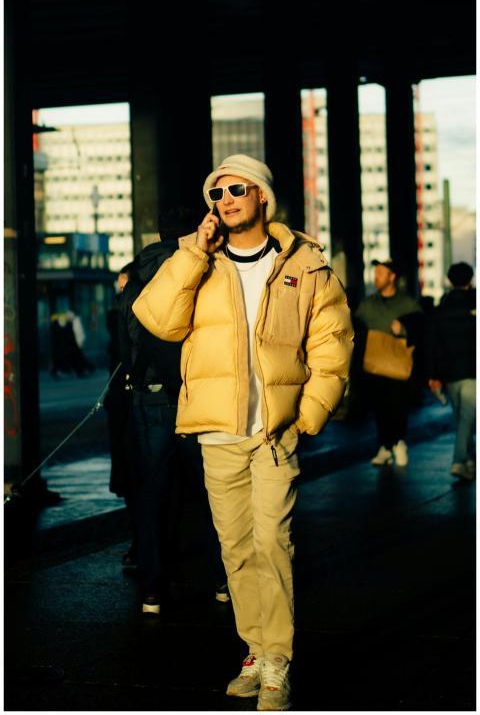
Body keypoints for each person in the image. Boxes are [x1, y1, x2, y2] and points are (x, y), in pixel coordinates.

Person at [132, 154, 353, 710]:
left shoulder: (305, 264)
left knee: (271, 543)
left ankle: (277, 658)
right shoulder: (200, 262)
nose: (225, 200)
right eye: (217, 193)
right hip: (217, 431)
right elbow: (157, 318)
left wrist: (309, 412)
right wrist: (193, 251)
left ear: (261, 196)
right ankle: (254, 649)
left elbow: (332, 341)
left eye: (236, 190)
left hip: (275, 432)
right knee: (235, 550)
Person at [121, 208, 228, 614]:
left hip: (149, 399)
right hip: (194, 394)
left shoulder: (136, 275)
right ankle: (222, 579)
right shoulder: (204, 268)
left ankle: (152, 589)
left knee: (152, 495)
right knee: (213, 493)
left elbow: (127, 337)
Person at [355, 259, 423, 467]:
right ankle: (385, 446)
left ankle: (399, 442)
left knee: (398, 406)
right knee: (379, 407)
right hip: (374, 366)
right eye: (375, 273)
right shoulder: (368, 304)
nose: (376, 278)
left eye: (380, 274)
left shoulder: (407, 304)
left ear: (392, 277)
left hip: (398, 366)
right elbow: (354, 326)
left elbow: (422, 328)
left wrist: (403, 330)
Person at [426, 262, 476, 481]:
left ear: (449, 280)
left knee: (462, 419)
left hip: (450, 373)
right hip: (472, 371)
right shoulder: (474, 304)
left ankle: (470, 462)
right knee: (467, 420)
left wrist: (434, 375)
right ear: (470, 279)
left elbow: (434, 344)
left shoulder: (441, 307)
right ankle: (459, 460)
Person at [104, 262, 137, 568]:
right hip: (123, 399)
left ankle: (141, 542)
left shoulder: (121, 314)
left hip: (127, 399)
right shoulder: (119, 315)